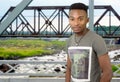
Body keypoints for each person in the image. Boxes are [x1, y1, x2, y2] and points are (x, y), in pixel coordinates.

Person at [65, 3, 113, 82]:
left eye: (80, 19)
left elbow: (108, 73)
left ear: (87, 20)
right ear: (69, 20)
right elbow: (69, 69)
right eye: (72, 19)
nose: (76, 23)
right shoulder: (69, 41)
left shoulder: (97, 40)